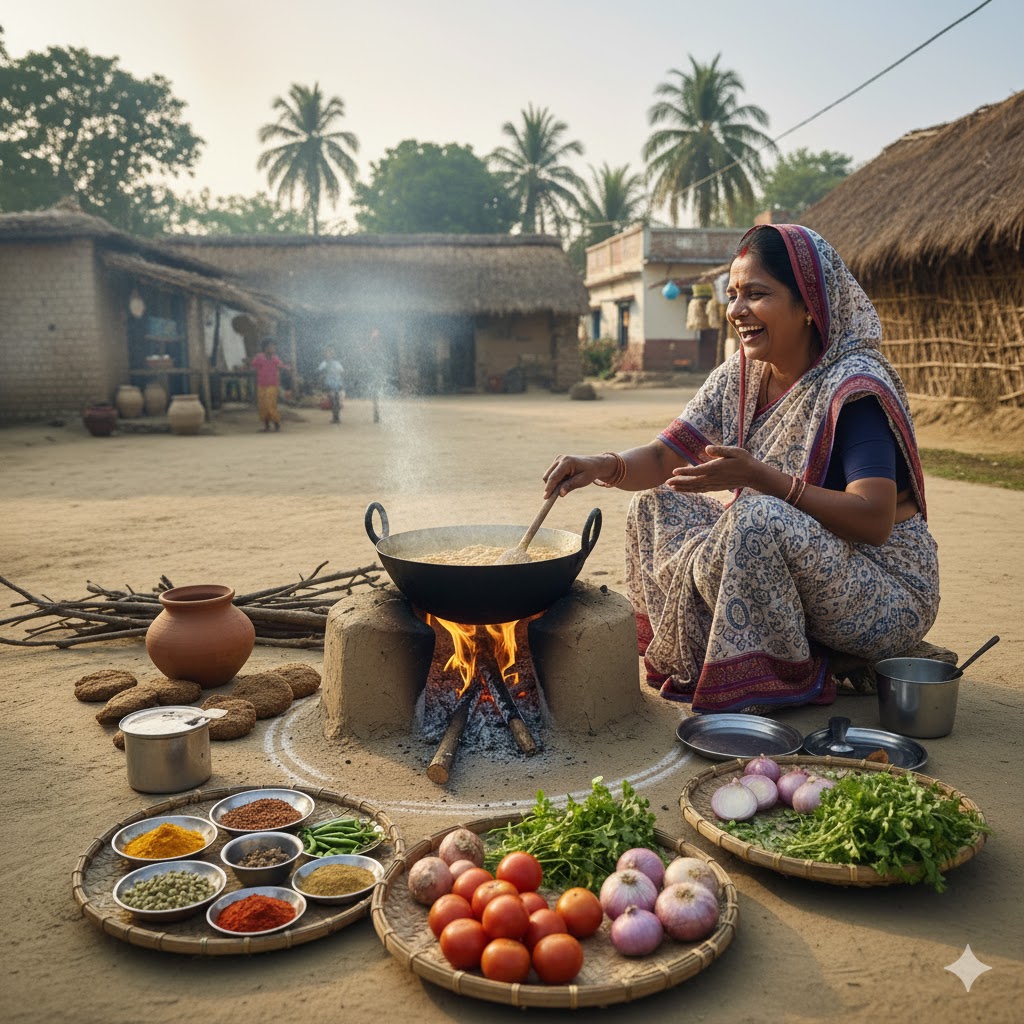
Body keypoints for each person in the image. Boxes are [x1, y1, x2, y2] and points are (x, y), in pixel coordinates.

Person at [542, 224, 940, 715]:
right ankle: (710, 651)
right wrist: (602, 464)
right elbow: (664, 458)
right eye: (733, 295)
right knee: (653, 506)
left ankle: (769, 679)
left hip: (885, 592)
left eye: (757, 294)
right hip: (800, 565)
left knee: (755, 518)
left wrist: (760, 477)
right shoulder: (741, 375)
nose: (736, 310)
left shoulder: (853, 388)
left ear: (808, 305)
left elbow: (874, 520)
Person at [251, 340, 289, 432]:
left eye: (274, 347)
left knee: (270, 405)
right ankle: (267, 426)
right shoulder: (259, 357)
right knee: (263, 405)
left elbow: (281, 366)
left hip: (272, 385)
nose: (273, 349)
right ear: (266, 348)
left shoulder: (275, 358)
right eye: (271, 347)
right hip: (262, 385)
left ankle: (276, 424)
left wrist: (287, 368)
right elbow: (254, 366)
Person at [317, 346, 345, 424]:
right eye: (328, 353)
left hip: (334, 384)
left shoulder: (329, 363)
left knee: (335, 400)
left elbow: (319, 372)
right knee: (334, 401)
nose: (328, 354)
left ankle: (336, 418)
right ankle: (336, 417)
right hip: (332, 384)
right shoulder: (327, 363)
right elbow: (342, 372)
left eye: (330, 353)